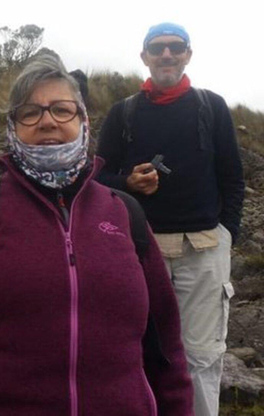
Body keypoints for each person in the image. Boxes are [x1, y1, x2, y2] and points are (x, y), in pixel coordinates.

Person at [0, 54, 193, 415]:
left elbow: (166, 341)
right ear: (13, 126)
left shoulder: (125, 213)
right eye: (30, 112)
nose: (47, 122)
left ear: (84, 120)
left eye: (62, 109)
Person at [96, 23, 244, 415]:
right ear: (144, 56)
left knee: (201, 357)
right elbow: (96, 178)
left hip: (206, 248)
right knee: (137, 351)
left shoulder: (211, 107)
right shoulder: (122, 113)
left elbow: (232, 176)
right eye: (157, 48)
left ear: (188, 55)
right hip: (140, 250)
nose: (166, 55)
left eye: (175, 47)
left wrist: (229, 232)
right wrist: (127, 182)